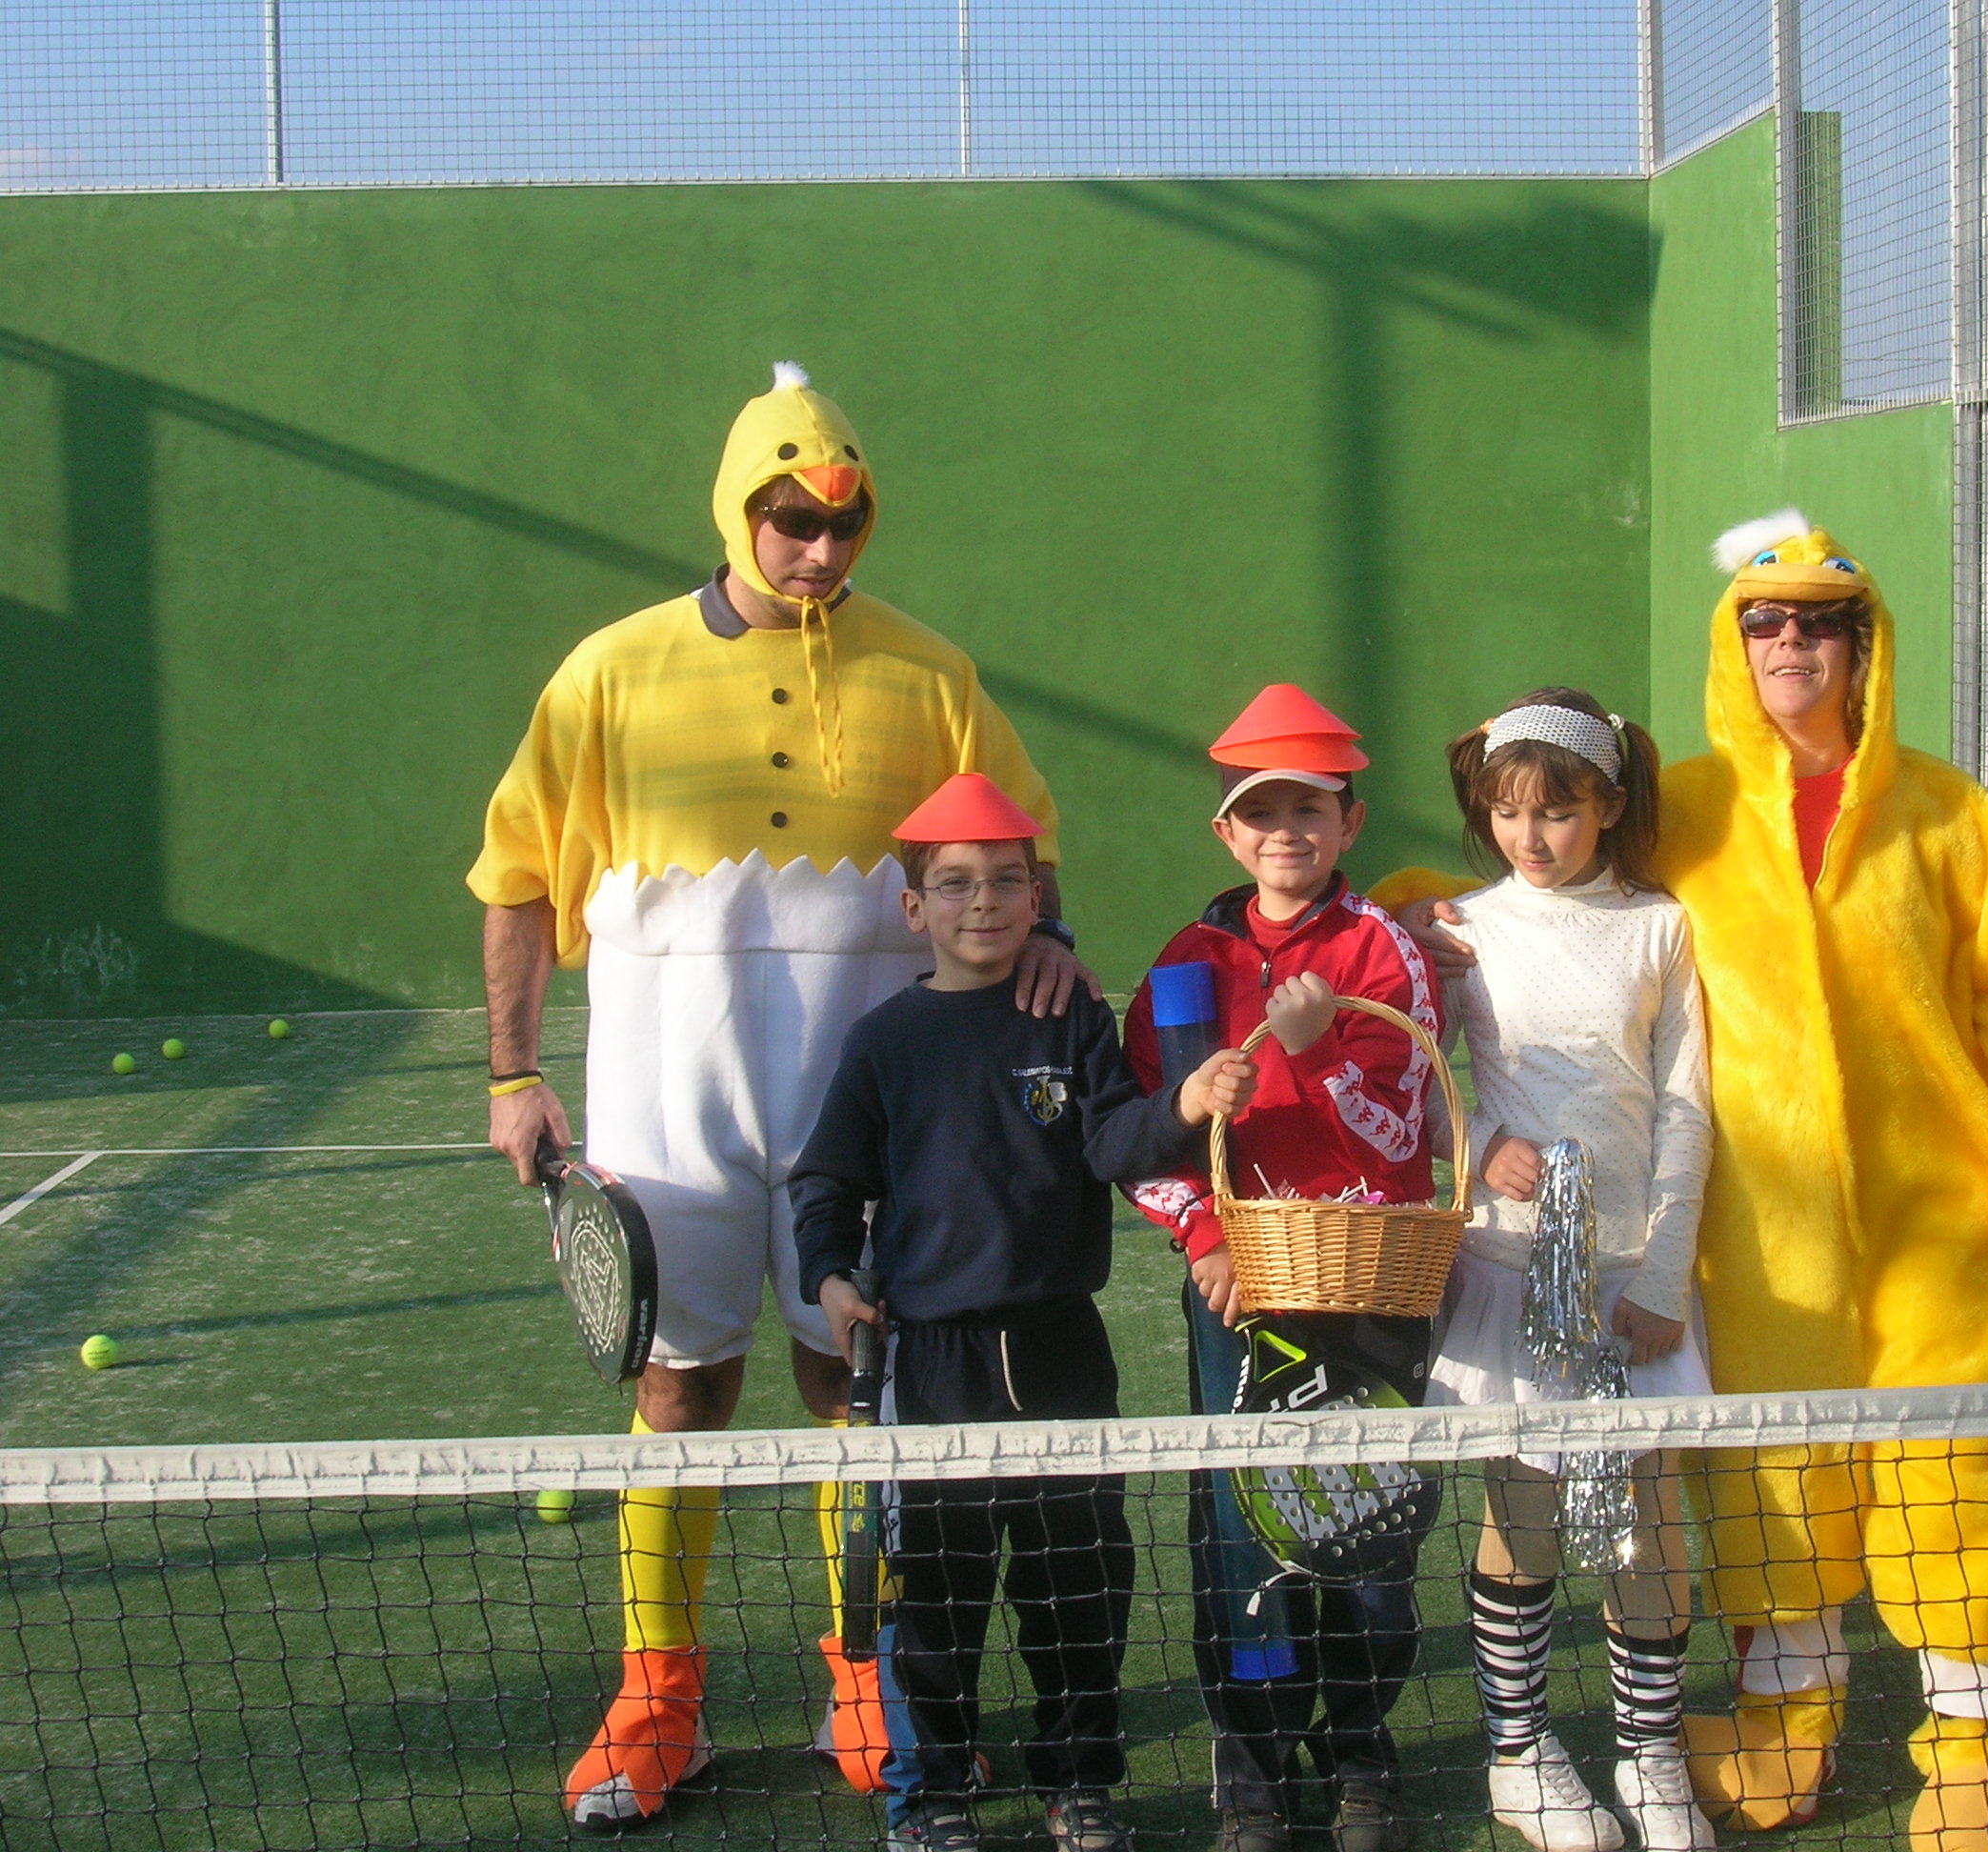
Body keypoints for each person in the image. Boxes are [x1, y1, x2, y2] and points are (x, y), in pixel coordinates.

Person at [1396, 516, 1988, 1852]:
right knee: (1775, 1491)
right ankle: (1783, 1725)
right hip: (1758, 1242)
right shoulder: (1687, 809)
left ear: (1865, 642)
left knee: (1964, 1480)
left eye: (1819, 621)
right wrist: (1402, 923)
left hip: (1943, 1228)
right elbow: (1532, 903)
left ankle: (1977, 1759)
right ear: (1733, 644)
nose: (1791, 642)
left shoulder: (1956, 818)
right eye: (1764, 621)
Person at [468, 364, 1095, 1830]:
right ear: (736, 510)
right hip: (660, 1096)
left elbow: (1025, 847)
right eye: (791, 521)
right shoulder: (607, 672)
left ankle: (864, 1682)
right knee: (678, 1388)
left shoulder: (931, 674)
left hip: (859, 1105)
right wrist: (512, 1072)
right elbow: (516, 878)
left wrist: (1050, 949)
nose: (819, 550)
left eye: (843, 524)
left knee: (849, 1378)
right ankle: (657, 1701)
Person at [790, 772, 1258, 1852]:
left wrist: (1182, 1106)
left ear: (1038, 899)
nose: (984, 903)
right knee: (938, 1601)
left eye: (1007, 882)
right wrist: (830, 1277)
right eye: (956, 885)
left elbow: (1112, 1143)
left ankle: (1079, 1784)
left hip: (1059, 1351)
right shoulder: (883, 1042)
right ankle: (932, 1798)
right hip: (932, 1363)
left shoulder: (1072, 1018)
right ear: (915, 908)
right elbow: (826, 1182)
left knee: (1076, 1589)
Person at [1118, 684, 1443, 1852]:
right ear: (1227, 833)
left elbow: (1405, 1140)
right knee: (1242, 1531)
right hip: (1237, 1296)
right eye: (1261, 811)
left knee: (1370, 1529)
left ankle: (1359, 1751)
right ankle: (1251, 1767)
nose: (1285, 831)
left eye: (1310, 807)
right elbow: (1149, 1142)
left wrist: (1319, 1058)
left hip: (1368, 1287)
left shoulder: (1383, 949)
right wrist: (1205, 1237)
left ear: (1350, 821)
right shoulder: (1185, 966)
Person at [1419, 689, 1716, 1852]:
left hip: (1635, 1282)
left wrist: (1665, 1276)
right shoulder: (1460, 928)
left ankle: (1653, 1756)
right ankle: (1520, 1756)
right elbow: (1415, 1077)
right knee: (1528, 1511)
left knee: (1643, 1520)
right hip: (1512, 1268)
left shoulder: (1661, 929)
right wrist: (1481, 1145)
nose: (1529, 836)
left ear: (1610, 805)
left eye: (1556, 811)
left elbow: (1687, 1107)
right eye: (1507, 812)